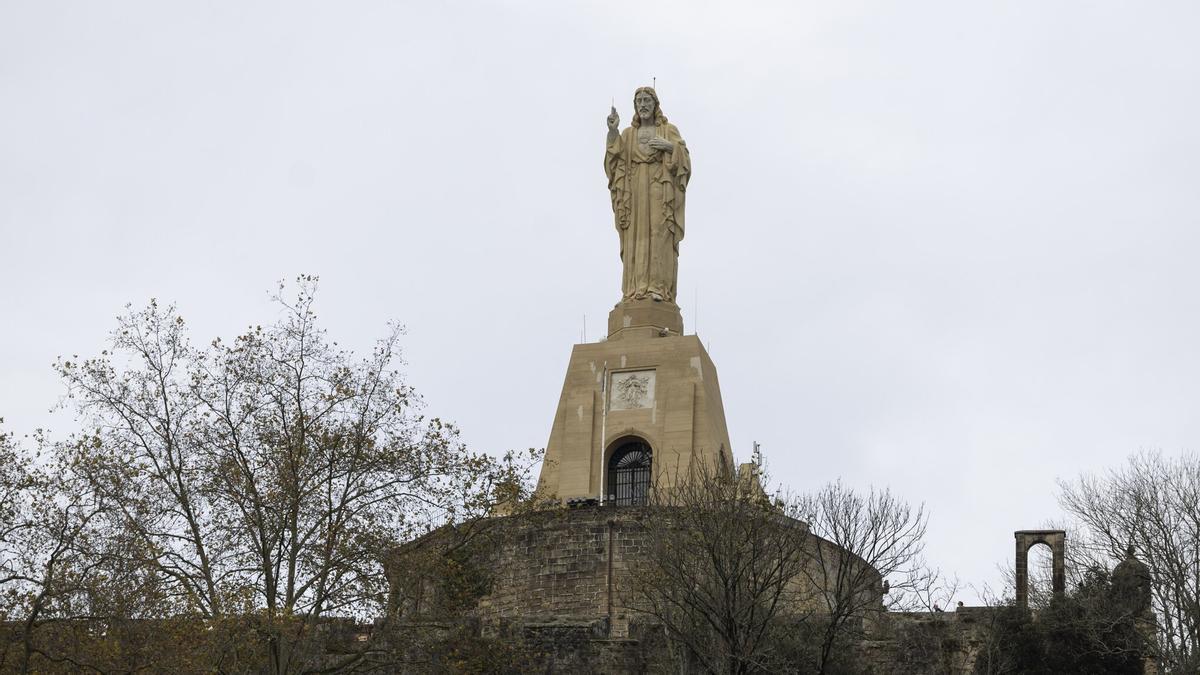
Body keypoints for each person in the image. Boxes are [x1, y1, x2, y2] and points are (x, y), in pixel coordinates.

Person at [604, 87, 691, 303]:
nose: (643, 104)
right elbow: (614, 162)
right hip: (634, 192)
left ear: (655, 104)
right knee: (635, 238)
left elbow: (685, 162)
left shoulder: (668, 130)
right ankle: (633, 291)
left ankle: (659, 289)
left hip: (660, 191)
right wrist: (613, 132)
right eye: (639, 101)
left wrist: (669, 147)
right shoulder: (628, 134)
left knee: (659, 235)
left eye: (647, 100)